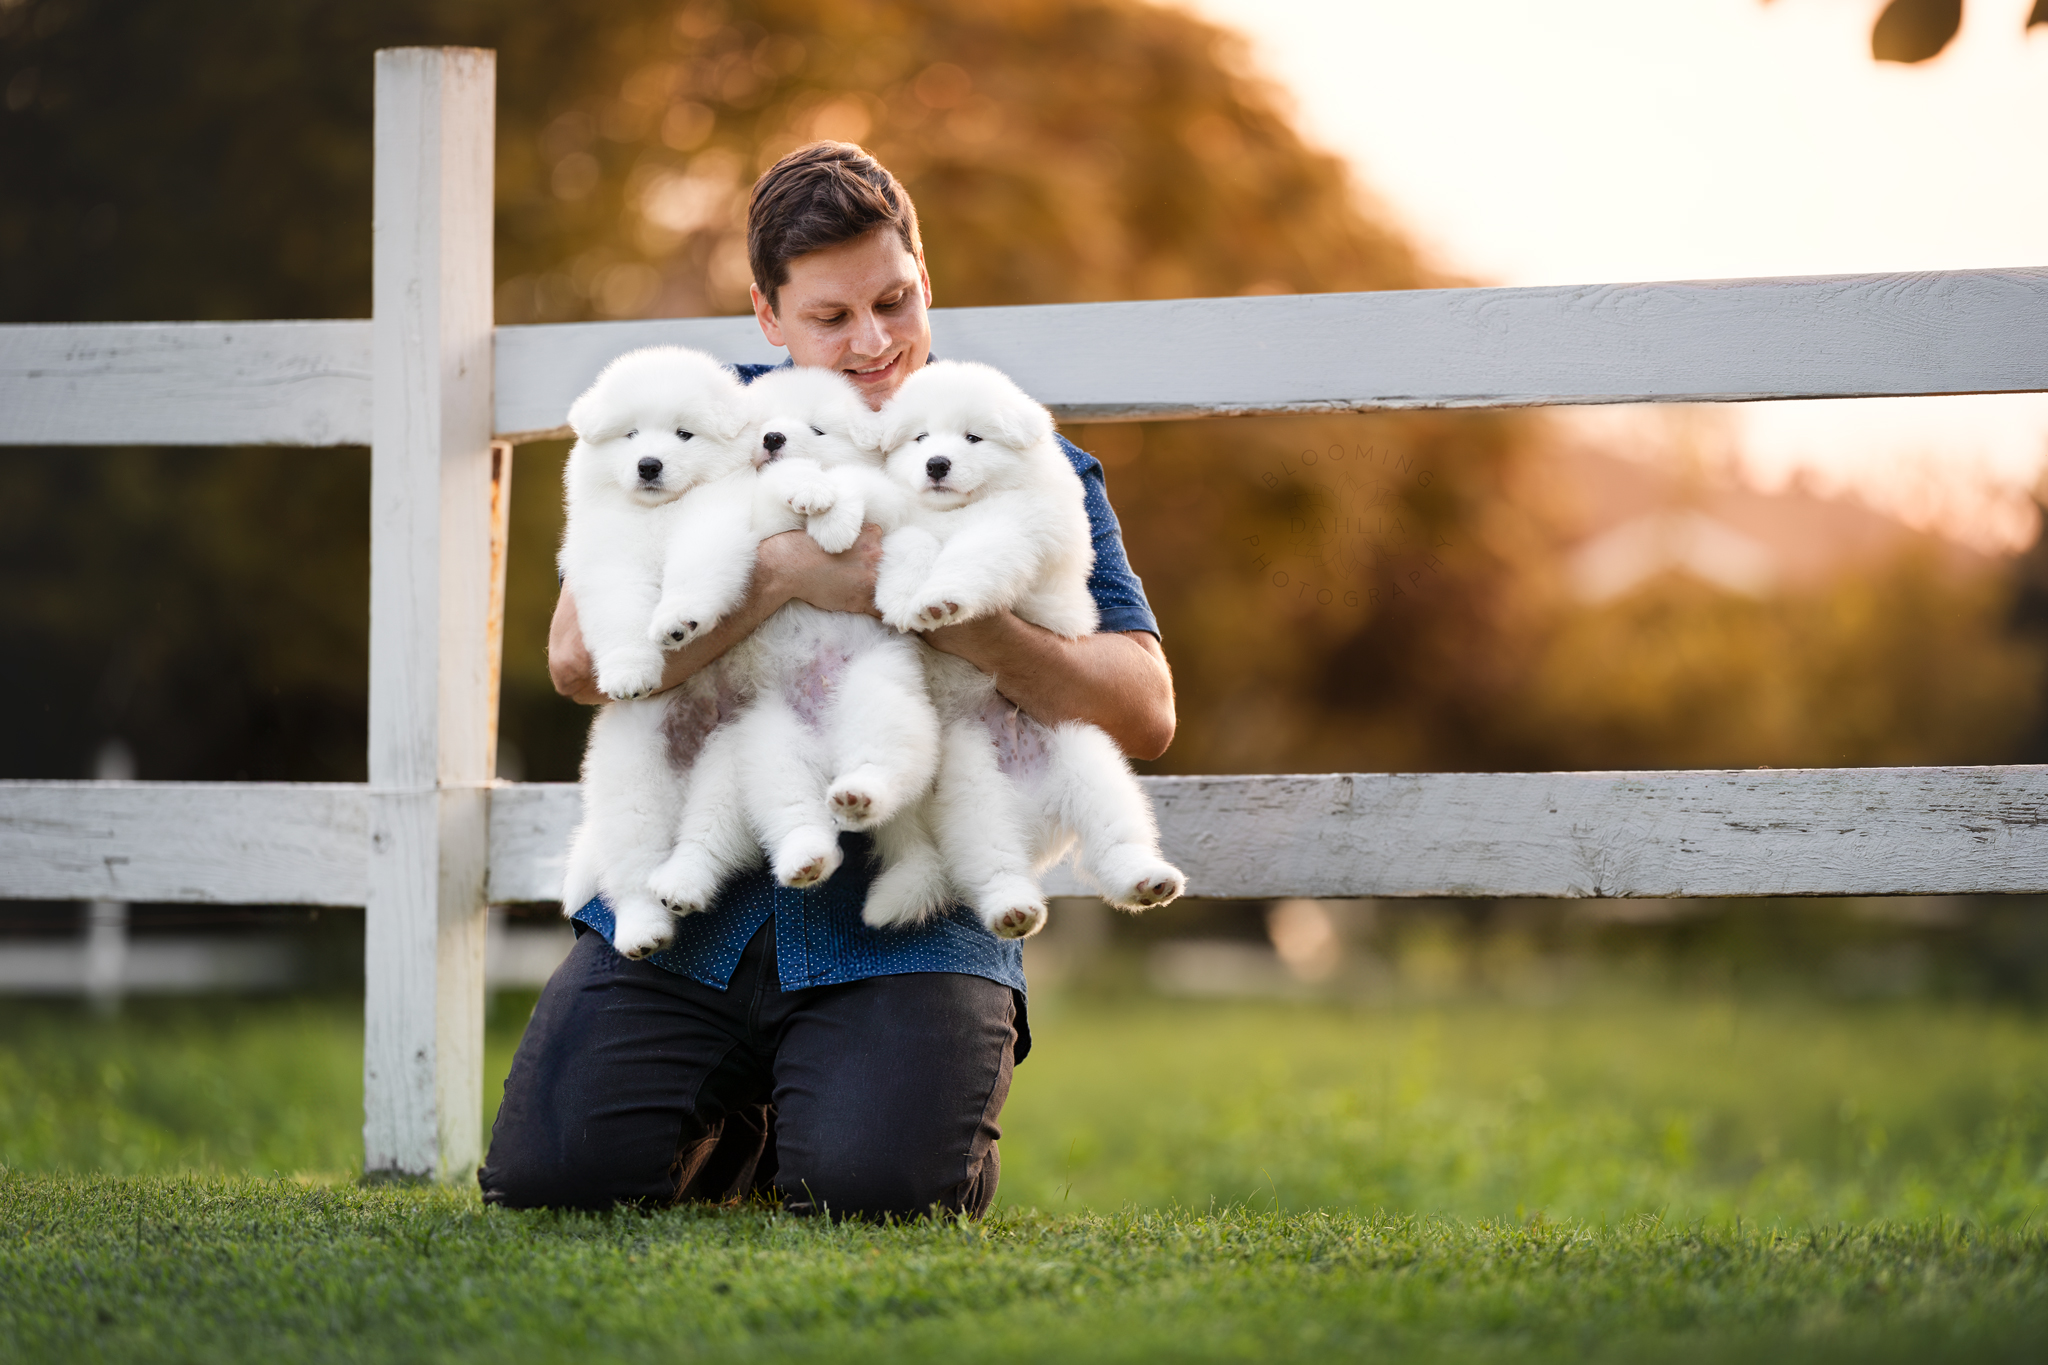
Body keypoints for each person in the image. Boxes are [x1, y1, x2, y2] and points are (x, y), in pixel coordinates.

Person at [479, 142, 1174, 1218]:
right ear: (768, 316)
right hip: (697, 891)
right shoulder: (706, 426)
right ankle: (751, 1117)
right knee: (549, 1182)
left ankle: (855, 1105)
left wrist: (951, 614)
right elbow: (578, 663)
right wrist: (788, 575)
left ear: (923, 279)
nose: (874, 342)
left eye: (893, 301)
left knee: (878, 1188)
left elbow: (1142, 706)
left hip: (903, 909)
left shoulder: (1014, 449)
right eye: (831, 317)